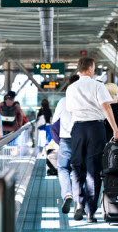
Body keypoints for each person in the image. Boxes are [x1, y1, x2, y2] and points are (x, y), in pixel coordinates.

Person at [66, 57, 118, 223]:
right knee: (93, 168)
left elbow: (70, 111)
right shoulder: (97, 85)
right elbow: (106, 107)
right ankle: (91, 212)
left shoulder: (71, 88)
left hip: (77, 128)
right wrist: (115, 130)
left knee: (76, 165)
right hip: (95, 129)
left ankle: (78, 203)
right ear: (90, 69)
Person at [52, 74, 79, 214]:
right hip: (80, 139)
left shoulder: (63, 101)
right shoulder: (84, 100)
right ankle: (78, 201)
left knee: (62, 169)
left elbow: (54, 121)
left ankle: (67, 194)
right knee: (77, 169)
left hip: (65, 140)